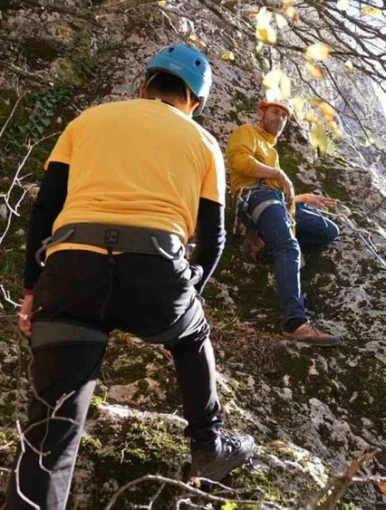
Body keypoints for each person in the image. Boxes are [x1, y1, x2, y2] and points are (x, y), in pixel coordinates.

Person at [4, 44, 254, 510]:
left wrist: (33, 289)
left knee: (50, 439)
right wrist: (186, 292)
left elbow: (45, 210)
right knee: (192, 334)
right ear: (194, 102)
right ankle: (208, 444)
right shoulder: (203, 143)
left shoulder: (87, 121)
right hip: (156, 271)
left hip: (71, 268)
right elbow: (214, 240)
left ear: (144, 84)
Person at [226, 99, 340, 347]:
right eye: (275, 112)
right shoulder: (247, 133)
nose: (280, 118)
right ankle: (295, 324)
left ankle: (265, 241)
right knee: (289, 248)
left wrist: (302, 199)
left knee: (328, 230)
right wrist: (279, 174)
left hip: (277, 202)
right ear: (261, 113)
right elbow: (239, 162)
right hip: (254, 197)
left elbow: (279, 193)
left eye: (285, 116)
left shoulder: (273, 151)